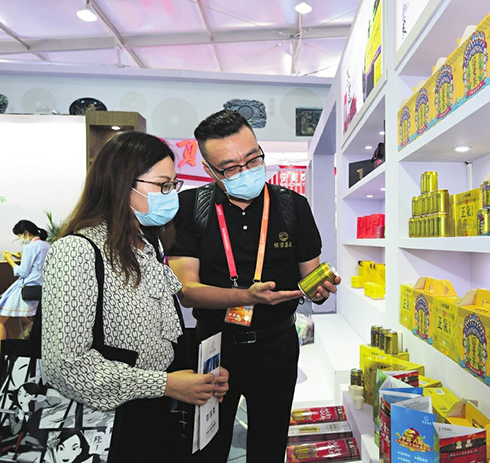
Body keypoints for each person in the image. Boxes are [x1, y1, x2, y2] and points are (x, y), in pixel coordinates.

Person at [40, 131, 229, 463]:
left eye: (174, 185)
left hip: (154, 420)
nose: (171, 196)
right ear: (121, 184)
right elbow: (67, 366)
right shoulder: (76, 251)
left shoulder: (148, 245)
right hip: (104, 430)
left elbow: (160, 338)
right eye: (162, 185)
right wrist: (165, 385)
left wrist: (199, 377)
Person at [168, 109, 340, 462]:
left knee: (269, 445)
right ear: (209, 170)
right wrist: (245, 296)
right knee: (207, 447)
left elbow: (312, 276)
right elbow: (186, 291)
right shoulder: (190, 207)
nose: (246, 171)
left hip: (276, 345)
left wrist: (320, 289)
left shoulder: (293, 206)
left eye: (253, 159)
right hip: (214, 348)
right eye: (231, 168)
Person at [0, 220, 50, 340]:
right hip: (42, 288)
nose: (21, 239)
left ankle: (3, 350)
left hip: (27, 288)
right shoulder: (47, 245)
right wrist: (23, 258)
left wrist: (9, 259)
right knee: (19, 315)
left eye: (19, 236)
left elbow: (23, 273)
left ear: (26, 233)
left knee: (1, 319)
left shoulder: (29, 247)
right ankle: (29, 332)